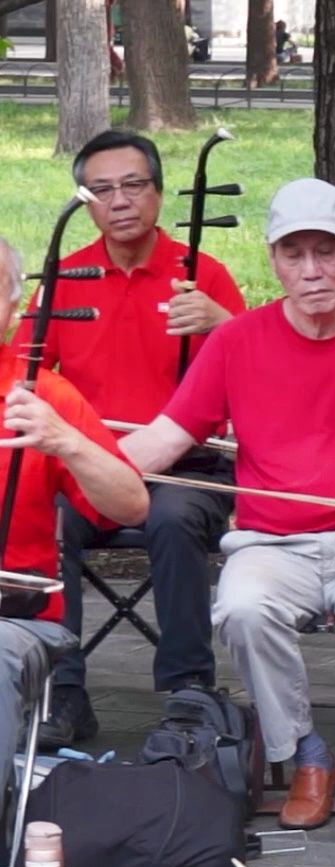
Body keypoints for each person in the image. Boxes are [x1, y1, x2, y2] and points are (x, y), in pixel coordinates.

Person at [119, 178, 335, 860]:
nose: (312, 271)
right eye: (295, 254)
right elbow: (164, 438)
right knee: (242, 604)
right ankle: (307, 753)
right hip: (272, 540)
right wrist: (75, 457)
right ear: (273, 261)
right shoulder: (239, 339)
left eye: (327, 251)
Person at [38, 130, 245, 745]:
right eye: (101, 190)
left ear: (158, 193)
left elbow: (263, 371)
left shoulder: (202, 272)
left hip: (190, 468)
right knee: (44, 520)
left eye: (134, 185)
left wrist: (221, 324)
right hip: (91, 465)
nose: (120, 201)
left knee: (173, 519)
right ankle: (63, 691)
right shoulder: (65, 276)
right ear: (85, 201)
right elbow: (24, 372)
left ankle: (187, 691)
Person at [0, 235, 149, 790]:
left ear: (15, 307)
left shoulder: (43, 396)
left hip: (13, 615)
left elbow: (130, 504)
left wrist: (69, 443)